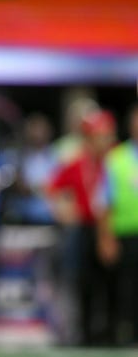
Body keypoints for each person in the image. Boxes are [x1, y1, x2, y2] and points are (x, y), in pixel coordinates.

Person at [46, 108, 117, 346]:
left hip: (113, 227)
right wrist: (64, 209)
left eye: (106, 135)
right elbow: (52, 186)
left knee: (112, 283)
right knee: (82, 282)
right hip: (85, 228)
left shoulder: (118, 160)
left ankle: (112, 331)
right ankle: (84, 333)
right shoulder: (77, 162)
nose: (103, 141)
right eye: (98, 135)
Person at [97, 103, 138, 346]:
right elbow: (104, 202)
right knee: (126, 289)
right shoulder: (116, 158)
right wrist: (106, 238)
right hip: (126, 233)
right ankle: (127, 335)